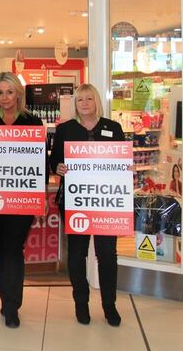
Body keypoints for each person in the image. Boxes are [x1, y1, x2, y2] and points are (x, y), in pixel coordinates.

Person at [0, 72, 45, 329]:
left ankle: (12, 305)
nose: (5, 98)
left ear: (18, 94)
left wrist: (42, 195)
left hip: (22, 197)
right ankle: (5, 296)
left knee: (14, 248)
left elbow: (40, 164)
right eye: (0, 93)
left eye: (9, 92)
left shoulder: (32, 123)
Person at [50, 83, 126, 327]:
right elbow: (54, 162)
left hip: (106, 202)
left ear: (97, 102)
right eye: (80, 99)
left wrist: (126, 168)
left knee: (106, 254)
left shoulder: (113, 128)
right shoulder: (65, 130)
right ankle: (81, 304)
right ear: (75, 104)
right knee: (77, 254)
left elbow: (122, 161)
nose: (84, 103)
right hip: (75, 201)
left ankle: (109, 306)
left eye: (89, 99)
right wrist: (58, 168)